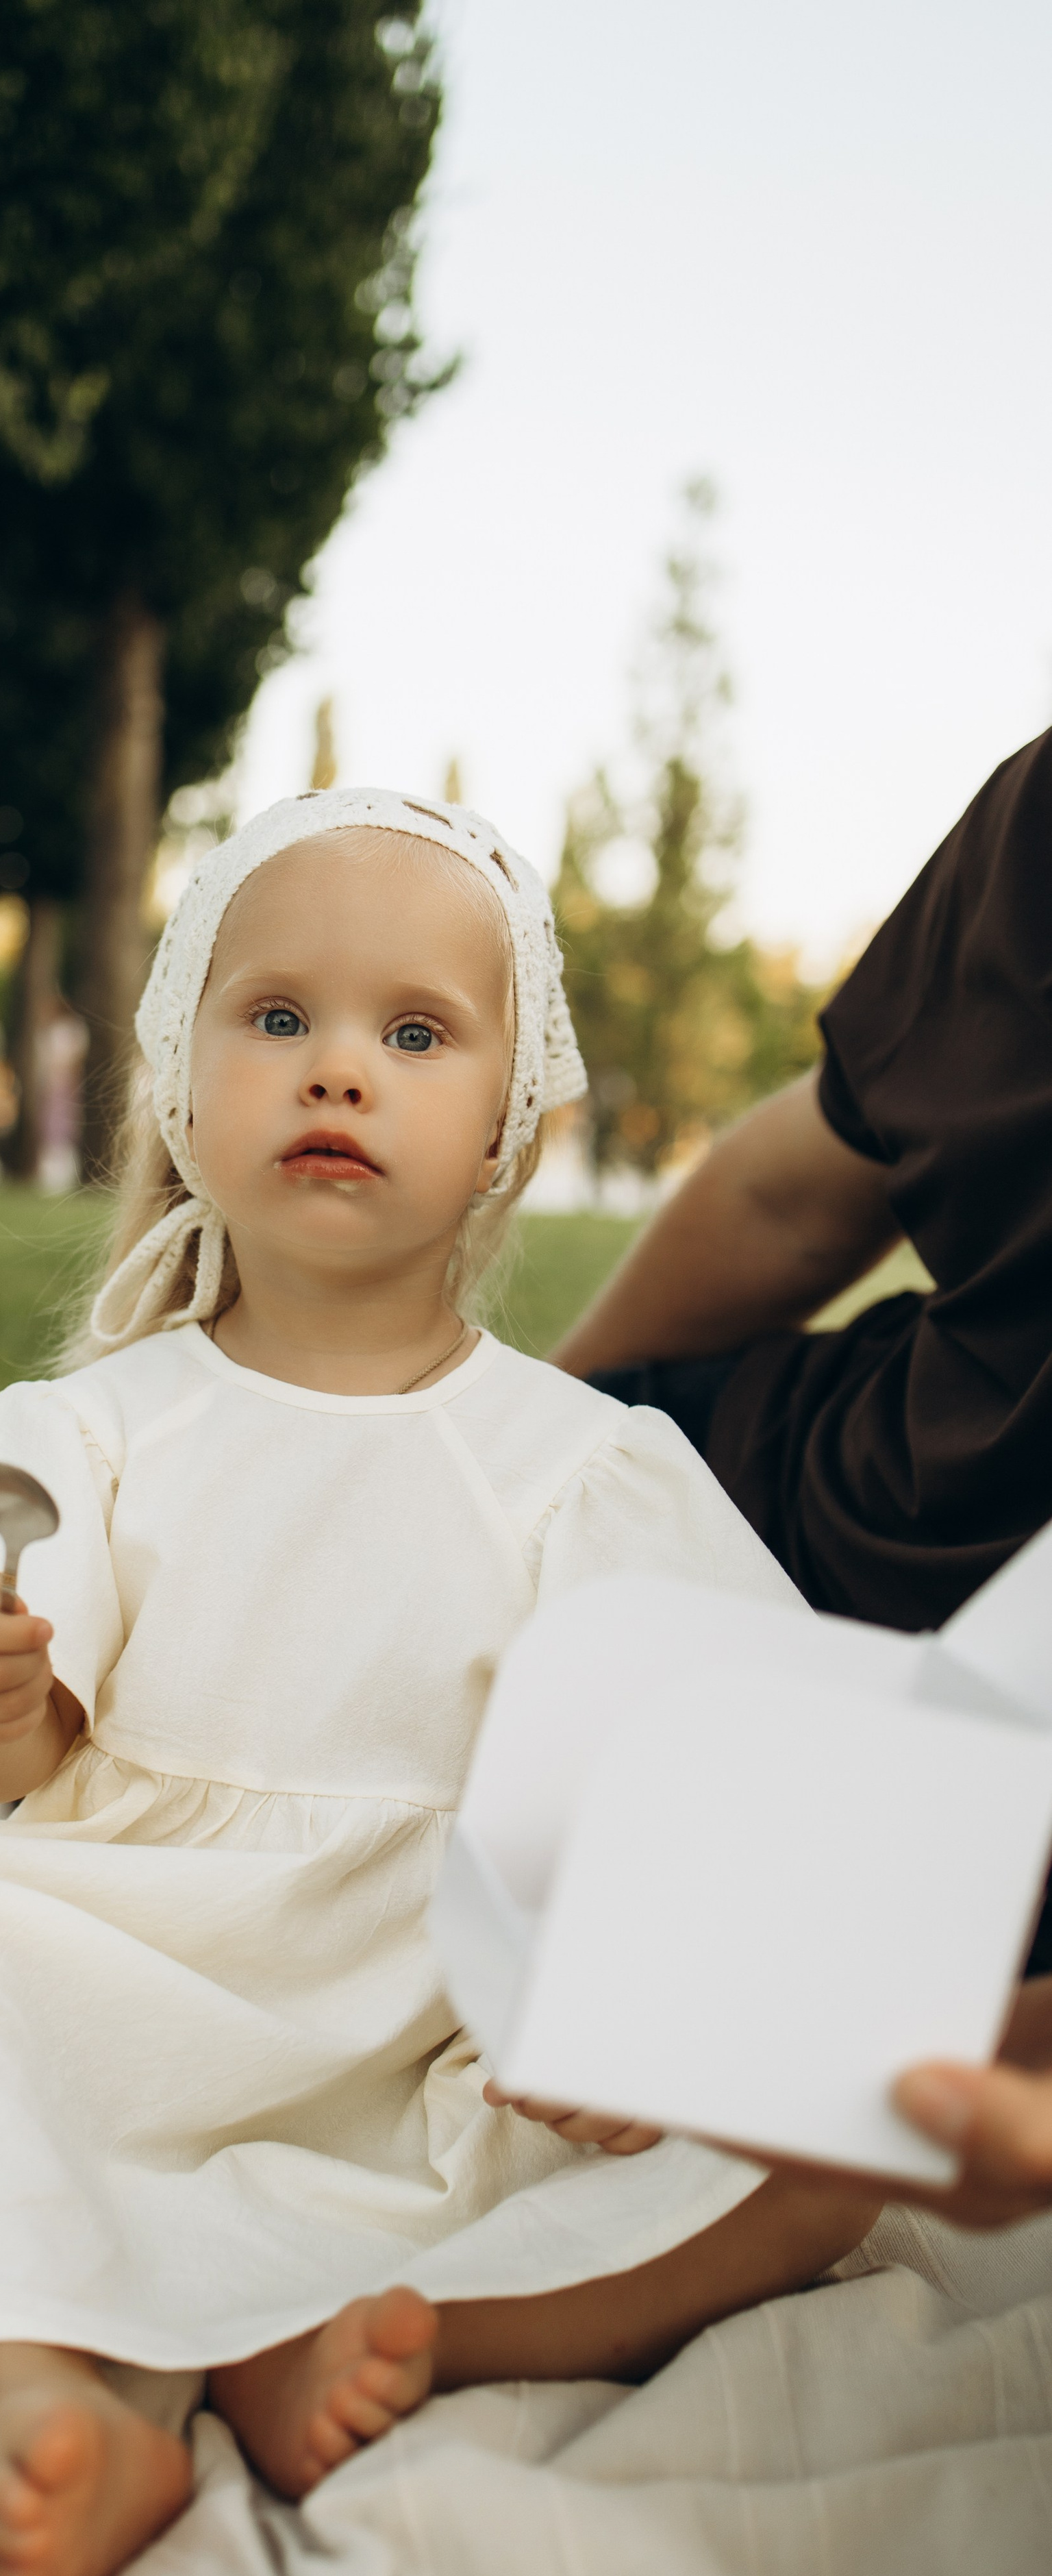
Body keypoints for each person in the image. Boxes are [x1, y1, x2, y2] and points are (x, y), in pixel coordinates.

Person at [0, 789, 878, 2576]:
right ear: (181, 1091)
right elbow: (4, 1753)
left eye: (417, 1033)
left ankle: (395, 2334)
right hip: (136, 1967)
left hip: (447, 2022)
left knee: (813, 2136)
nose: (339, 1070)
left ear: (511, 1137)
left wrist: (620, 1972)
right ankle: (51, 2381)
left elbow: (703, 1771)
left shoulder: (583, 1468)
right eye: (276, 1016)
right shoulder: (103, 1430)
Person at [544, 726, 1052, 2218]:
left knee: (828, 2110)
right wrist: (536, 1459)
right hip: (843, 1502)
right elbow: (788, 1196)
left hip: (1006, 1746)